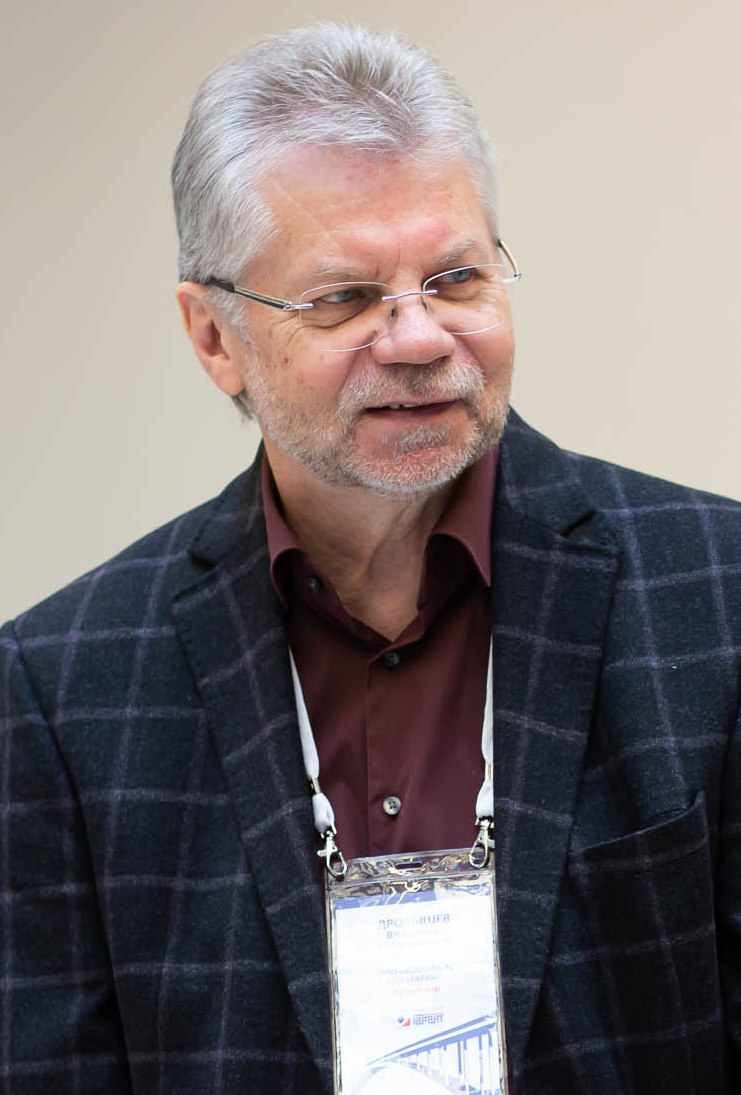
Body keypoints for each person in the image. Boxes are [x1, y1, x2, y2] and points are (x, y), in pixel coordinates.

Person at [1, 21, 739, 1095]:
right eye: (344, 298)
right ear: (213, 338)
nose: (418, 338)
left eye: (455, 278)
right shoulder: (63, 690)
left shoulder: (716, 596)